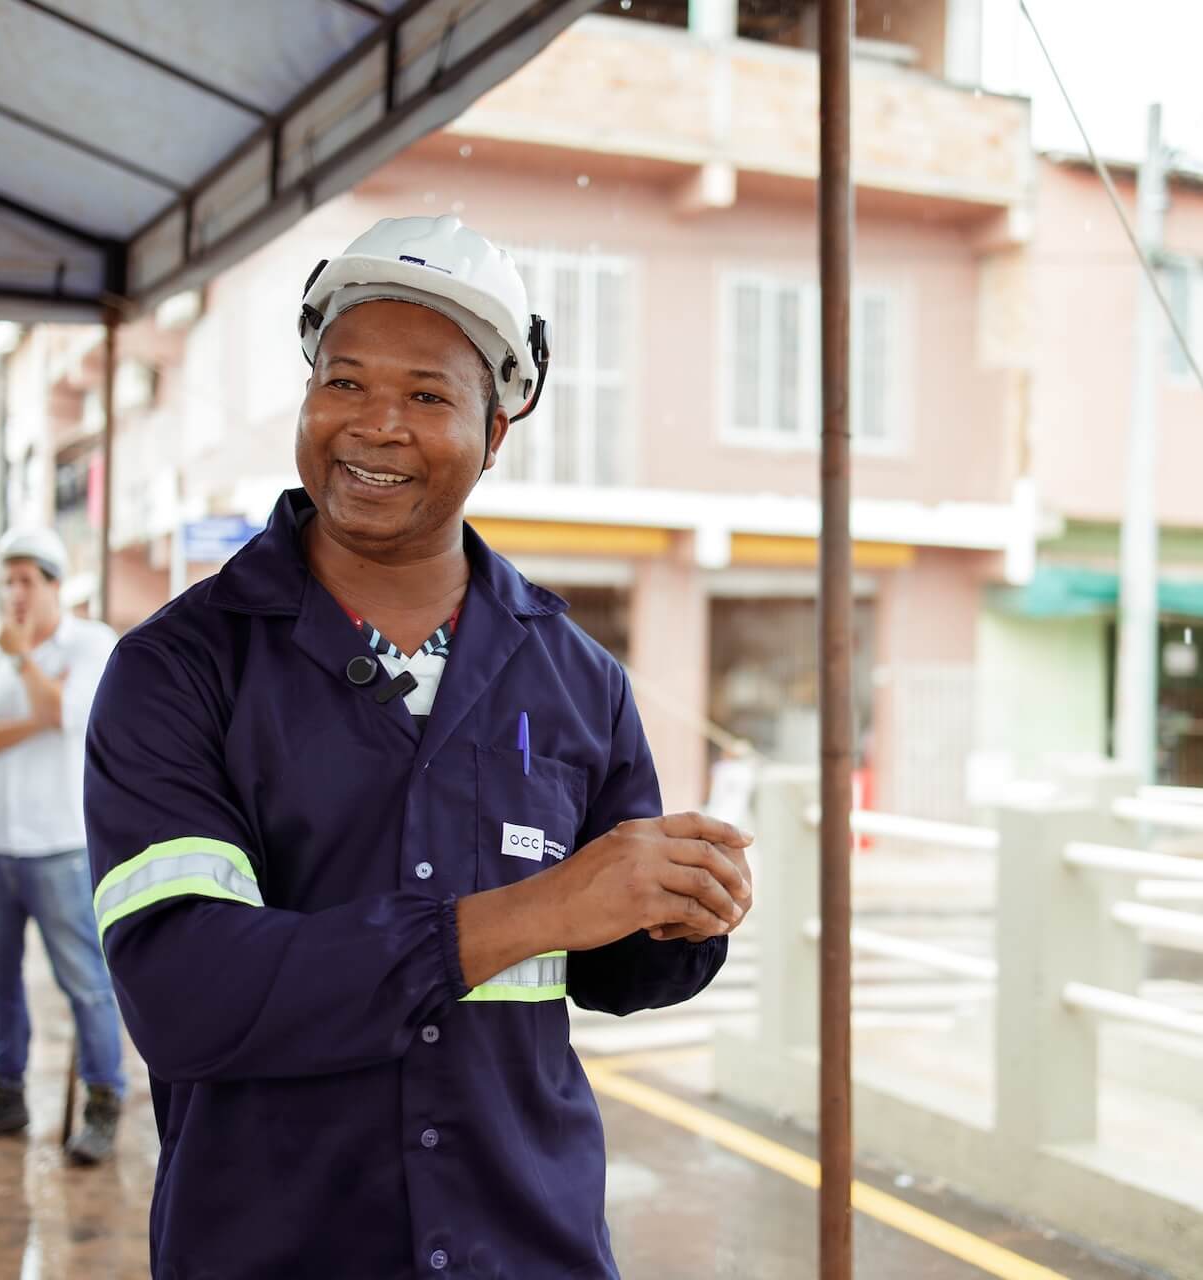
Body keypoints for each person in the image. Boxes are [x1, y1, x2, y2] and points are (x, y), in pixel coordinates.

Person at [84, 214, 756, 1278]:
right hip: (271, 1249)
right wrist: (538, 906)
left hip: (529, 1249)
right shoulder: (178, 670)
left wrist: (682, 914)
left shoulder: (579, 678)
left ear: (494, 433)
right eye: (344, 382)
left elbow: (616, 974)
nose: (376, 425)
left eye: (428, 395)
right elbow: (186, 995)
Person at [0, 528, 126, 1166]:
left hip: (60, 846)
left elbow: (67, 714)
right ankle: (4, 1092)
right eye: (7, 581)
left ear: (52, 584)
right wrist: (30, 708)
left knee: (86, 984)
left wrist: (23, 664)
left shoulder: (90, 643)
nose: (14, 594)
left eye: (26, 581)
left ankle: (103, 1101)